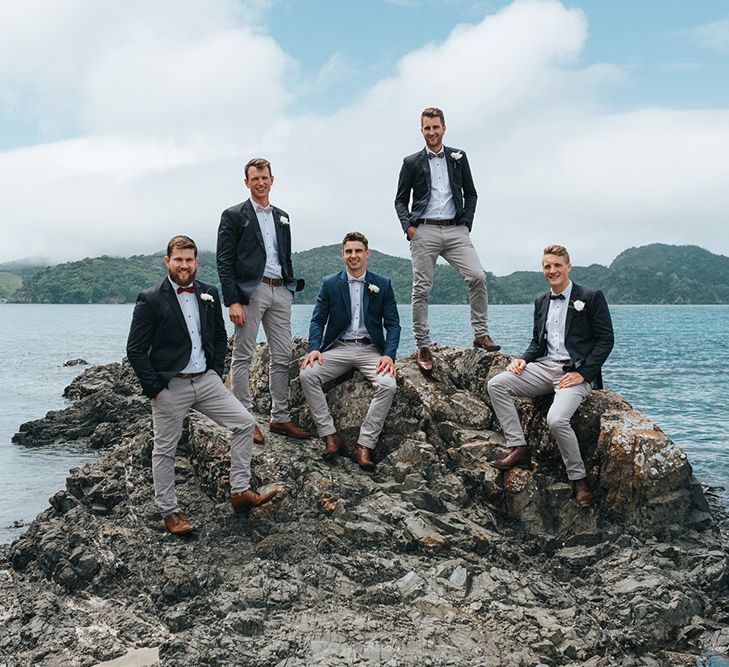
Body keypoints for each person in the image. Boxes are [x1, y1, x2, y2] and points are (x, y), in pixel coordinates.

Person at [127, 235, 277, 535]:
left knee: (245, 423)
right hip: (171, 386)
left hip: (207, 381)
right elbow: (135, 349)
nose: (184, 265)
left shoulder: (209, 293)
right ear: (167, 261)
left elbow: (220, 336)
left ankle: (239, 491)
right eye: (178, 259)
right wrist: (156, 388)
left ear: (197, 262)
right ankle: (170, 513)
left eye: (189, 259)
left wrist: (215, 370)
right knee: (165, 450)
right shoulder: (151, 298)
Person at [487, 245, 615, 507]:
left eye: (557, 265)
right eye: (547, 266)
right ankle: (519, 448)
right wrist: (523, 359)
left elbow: (606, 340)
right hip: (544, 366)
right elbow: (537, 342)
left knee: (556, 420)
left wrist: (583, 373)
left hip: (573, 372)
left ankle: (579, 480)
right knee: (497, 384)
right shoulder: (541, 301)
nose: (552, 270)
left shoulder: (590, 297)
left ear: (568, 266)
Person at [395, 106, 499, 375]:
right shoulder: (411, 163)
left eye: (436, 127)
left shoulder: (458, 157)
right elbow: (400, 199)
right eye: (427, 128)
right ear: (422, 130)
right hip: (424, 230)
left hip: (456, 230)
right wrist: (409, 228)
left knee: (477, 276)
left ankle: (480, 333)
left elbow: (471, 193)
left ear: (444, 127)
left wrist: (466, 224)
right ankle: (423, 345)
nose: (432, 132)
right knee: (421, 289)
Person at [217, 158, 309, 445]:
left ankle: (279, 418)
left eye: (264, 178)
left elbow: (286, 255)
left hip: (280, 290)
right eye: (254, 178)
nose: (260, 182)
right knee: (243, 355)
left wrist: (289, 287)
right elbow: (224, 260)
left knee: (282, 355)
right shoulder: (233, 215)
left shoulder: (283, 216)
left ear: (272, 180)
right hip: (251, 291)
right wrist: (232, 300)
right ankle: (244, 420)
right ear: (246, 182)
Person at [299, 232, 401, 470]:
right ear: (342, 254)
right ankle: (330, 435)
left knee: (388, 385)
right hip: (339, 347)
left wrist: (389, 354)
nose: (353, 256)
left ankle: (364, 445)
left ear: (367, 254)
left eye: (357, 251)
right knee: (307, 374)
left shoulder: (382, 284)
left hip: (370, 349)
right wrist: (314, 348)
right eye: (348, 251)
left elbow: (393, 324)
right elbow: (318, 321)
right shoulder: (330, 283)